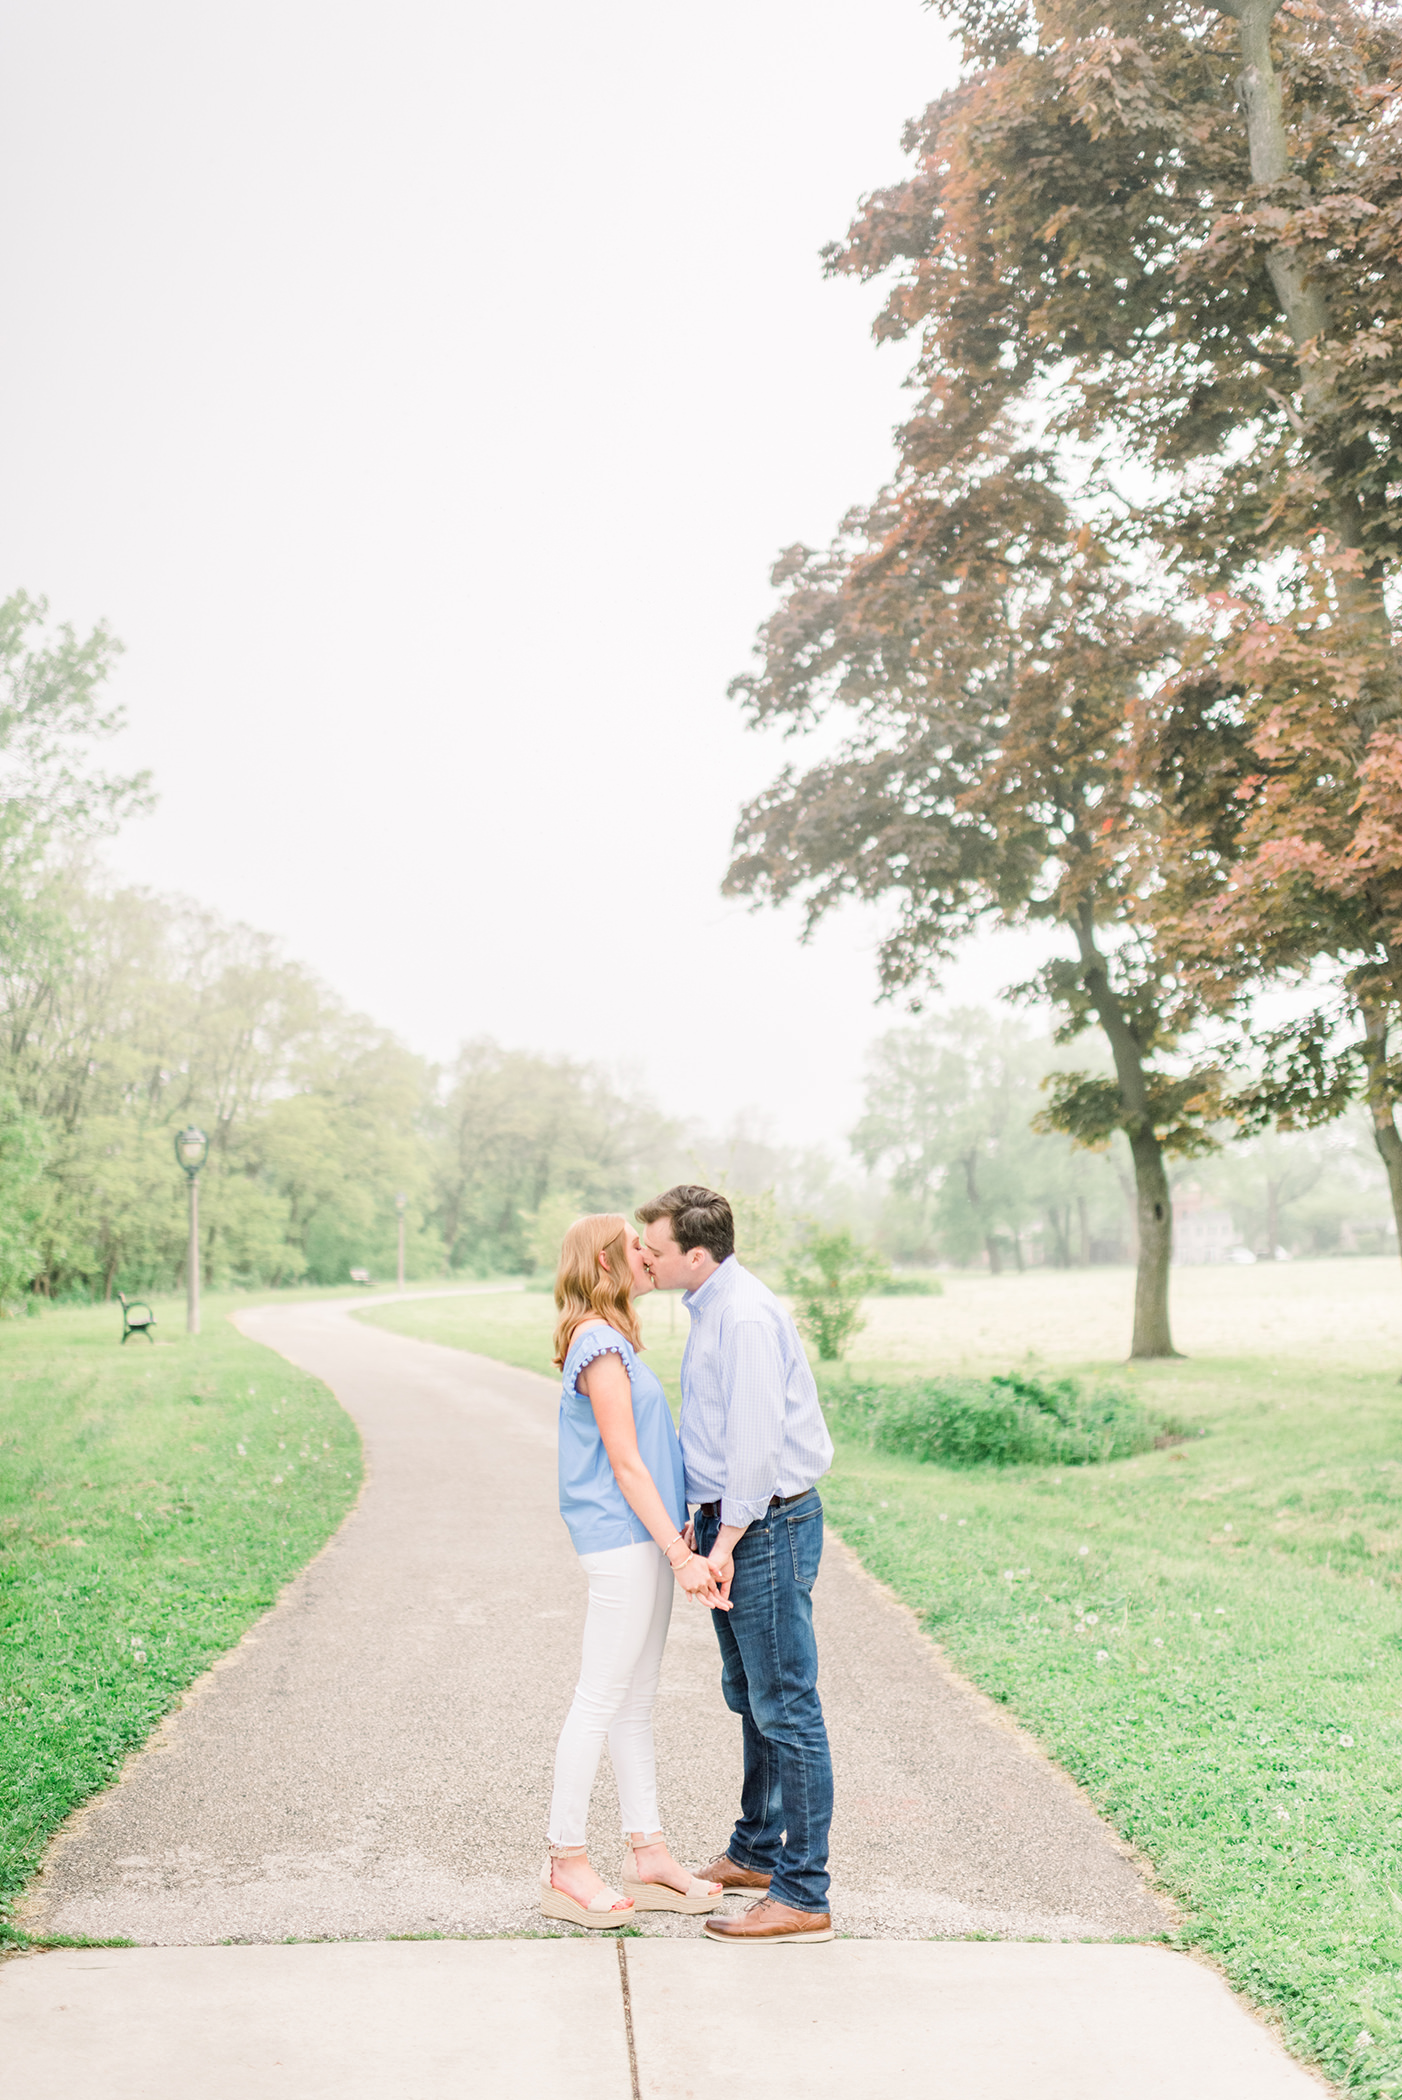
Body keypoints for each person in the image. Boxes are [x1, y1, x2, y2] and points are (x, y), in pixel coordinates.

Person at [638, 1184, 836, 1946]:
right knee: (751, 1697)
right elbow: (716, 1433)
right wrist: (699, 1513)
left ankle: (804, 1893)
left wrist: (721, 1545)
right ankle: (756, 1852)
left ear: (696, 1252)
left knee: (787, 1707)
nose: (644, 1258)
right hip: (734, 1520)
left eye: (653, 1248)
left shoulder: (745, 1316)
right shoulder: (710, 1306)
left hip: (766, 1524)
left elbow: (754, 1450)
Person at [540, 1212, 727, 1930]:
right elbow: (625, 1462)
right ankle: (566, 1862)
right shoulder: (596, 1341)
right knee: (599, 1698)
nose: (651, 1257)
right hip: (622, 1542)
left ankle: (648, 1854)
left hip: (644, 1539)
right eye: (636, 1250)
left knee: (634, 1701)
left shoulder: (615, 1338)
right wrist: (682, 1555)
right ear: (608, 1264)